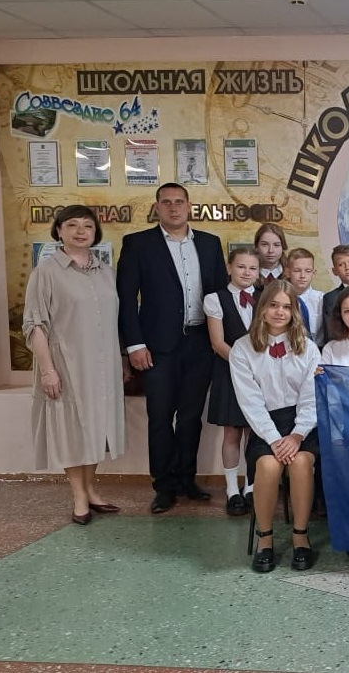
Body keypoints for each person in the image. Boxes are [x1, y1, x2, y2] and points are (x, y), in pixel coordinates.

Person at [117, 183, 228, 513]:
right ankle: (163, 486)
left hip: (200, 344)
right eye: (166, 202)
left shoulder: (209, 243)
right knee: (160, 417)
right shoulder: (138, 244)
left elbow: (220, 295)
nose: (173, 207)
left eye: (179, 202)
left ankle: (186, 480)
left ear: (189, 206)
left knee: (191, 417)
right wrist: (134, 345)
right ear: (157, 207)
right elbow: (126, 299)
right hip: (157, 347)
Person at [23, 205, 126, 525]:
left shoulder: (107, 272)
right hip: (66, 365)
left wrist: (123, 360)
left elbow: (116, 321)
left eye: (87, 226)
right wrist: (48, 370)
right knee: (71, 430)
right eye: (72, 225)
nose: (81, 231)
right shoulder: (46, 272)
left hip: (104, 367)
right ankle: (79, 496)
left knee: (98, 428)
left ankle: (91, 489)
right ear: (59, 230)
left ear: (96, 232)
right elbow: (34, 325)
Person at [229, 280, 320, 573]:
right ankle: (265, 539)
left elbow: (311, 397)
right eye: (273, 305)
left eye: (287, 307)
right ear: (262, 308)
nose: (280, 312)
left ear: (294, 312)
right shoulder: (242, 349)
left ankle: (300, 536)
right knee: (268, 466)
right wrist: (272, 438)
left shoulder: (308, 348)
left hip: (301, 424)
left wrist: (297, 434)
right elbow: (250, 401)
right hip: (264, 424)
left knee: (301, 463)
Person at [204, 246, 260, 516]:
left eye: (252, 268)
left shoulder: (266, 297)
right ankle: (231, 490)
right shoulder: (215, 299)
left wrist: (259, 369)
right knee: (232, 433)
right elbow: (217, 343)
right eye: (241, 266)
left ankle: (251, 486)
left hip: (261, 376)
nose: (247, 272)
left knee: (255, 432)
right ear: (229, 267)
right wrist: (244, 367)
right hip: (230, 372)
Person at [321, 244, 349, 338]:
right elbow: (330, 333)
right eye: (341, 264)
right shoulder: (330, 299)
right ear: (334, 271)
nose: (347, 267)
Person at [284, 248, 325, 346]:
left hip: (318, 349)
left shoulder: (322, 299)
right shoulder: (280, 299)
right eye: (297, 270)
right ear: (288, 272)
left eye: (308, 271)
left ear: (313, 273)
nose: (303, 275)